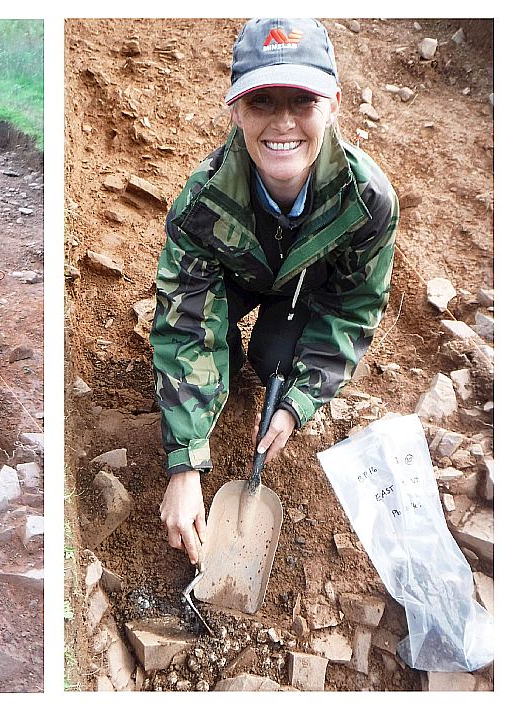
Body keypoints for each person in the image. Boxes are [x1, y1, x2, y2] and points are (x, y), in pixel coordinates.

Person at [151, 18, 397, 564]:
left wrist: (299, 401)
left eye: (303, 101)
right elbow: (186, 320)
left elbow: (352, 308)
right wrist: (185, 461)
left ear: (333, 102)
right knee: (218, 364)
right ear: (236, 109)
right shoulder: (202, 203)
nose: (283, 123)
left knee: (275, 365)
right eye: (263, 101)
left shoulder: (366, 202)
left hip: (305, 290)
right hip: (234, 282)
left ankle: (272, 364)